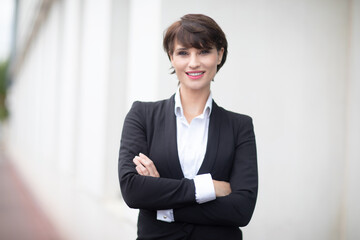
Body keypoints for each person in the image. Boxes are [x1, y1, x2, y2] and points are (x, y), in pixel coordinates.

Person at [118, 14, 258, 240]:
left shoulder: (239, 127)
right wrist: (209, 187)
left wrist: (163, 205)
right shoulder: (142, 116)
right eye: (183, 52)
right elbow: (133, 190)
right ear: (171, 57)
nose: (194, 62)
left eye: (204, 51)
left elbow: (241, 210)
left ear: (219, 55)